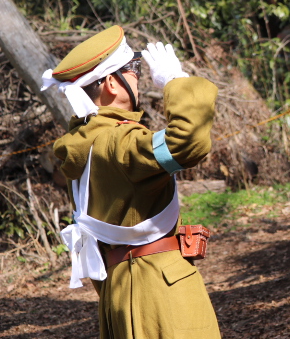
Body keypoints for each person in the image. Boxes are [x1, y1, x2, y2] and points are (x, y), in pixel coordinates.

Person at [42, 25, 222, 338]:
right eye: (134, 69)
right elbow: (187, 142)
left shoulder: (82, 148)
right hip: (158, 291)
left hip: (118, 290)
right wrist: (176, 81)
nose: (139, 77)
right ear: (112, 83)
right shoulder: (120, 143)